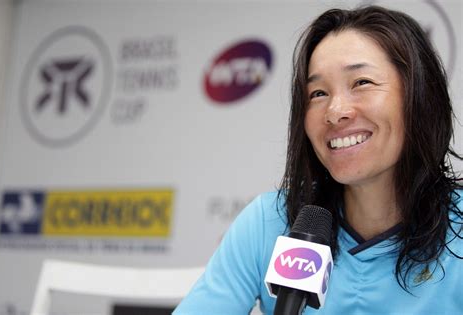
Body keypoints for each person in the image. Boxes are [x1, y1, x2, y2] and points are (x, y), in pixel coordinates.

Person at [173, 5, 463, 314]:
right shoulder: (268, 223)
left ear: (419, 96)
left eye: (362, 83)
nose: (336, 111)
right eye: (318, 93)